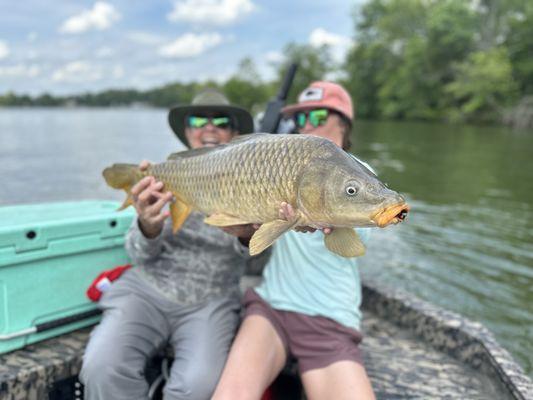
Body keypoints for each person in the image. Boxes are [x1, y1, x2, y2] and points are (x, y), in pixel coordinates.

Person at [80, 89, 263, 400]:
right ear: (188, 131)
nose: (209, 128)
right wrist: (147, 226)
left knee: (196, 387)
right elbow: (137, 253)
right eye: (198, 120)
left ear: (234, 133)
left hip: (212, 298)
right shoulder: (165, 175)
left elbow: (258, 263)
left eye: (220, 121)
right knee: (101, 368)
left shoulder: (255, 176)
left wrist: (248, 233)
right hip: (147, 288)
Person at [213, 81, 376, 400]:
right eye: (299, 119)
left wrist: (325, 219)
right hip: (272, 304)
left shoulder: (360, 176)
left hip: (328, 315)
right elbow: (254, 246)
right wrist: (245, 228)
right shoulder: (282, 166)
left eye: (316, 116)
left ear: (342, 121)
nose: (306, 125)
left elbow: (361, 231)